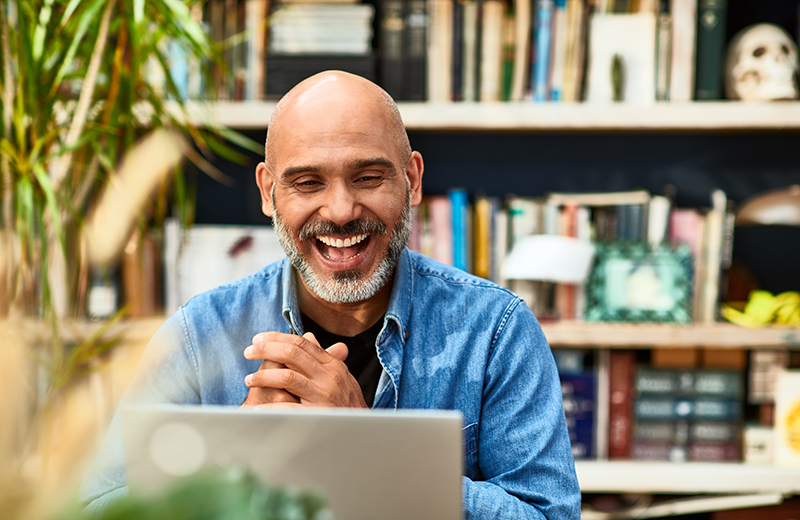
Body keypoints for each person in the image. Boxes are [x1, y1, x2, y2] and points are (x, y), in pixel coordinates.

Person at [81, 71, 581, 519]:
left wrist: (367, 448)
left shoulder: (497, 330)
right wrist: (226, 466)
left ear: (411, 180)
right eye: (307, 182)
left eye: (367, 177)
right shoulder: (199, 334)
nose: (340, 211)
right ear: (267, 191)